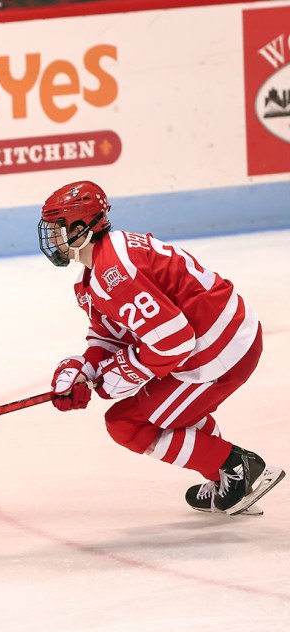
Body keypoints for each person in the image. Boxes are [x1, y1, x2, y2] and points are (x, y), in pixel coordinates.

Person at [40, 180, 284, 516]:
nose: (51, 239)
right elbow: (111, 335)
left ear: (81, 228)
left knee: (127, 423)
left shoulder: (115, 270)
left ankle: (239, 468)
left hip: (218, 347)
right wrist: (85, 368)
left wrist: (124, 370)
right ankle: (229, 477)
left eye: (57, 229)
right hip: (219, 339)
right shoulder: (97, 273)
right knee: (162, 412)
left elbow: (173, 342)